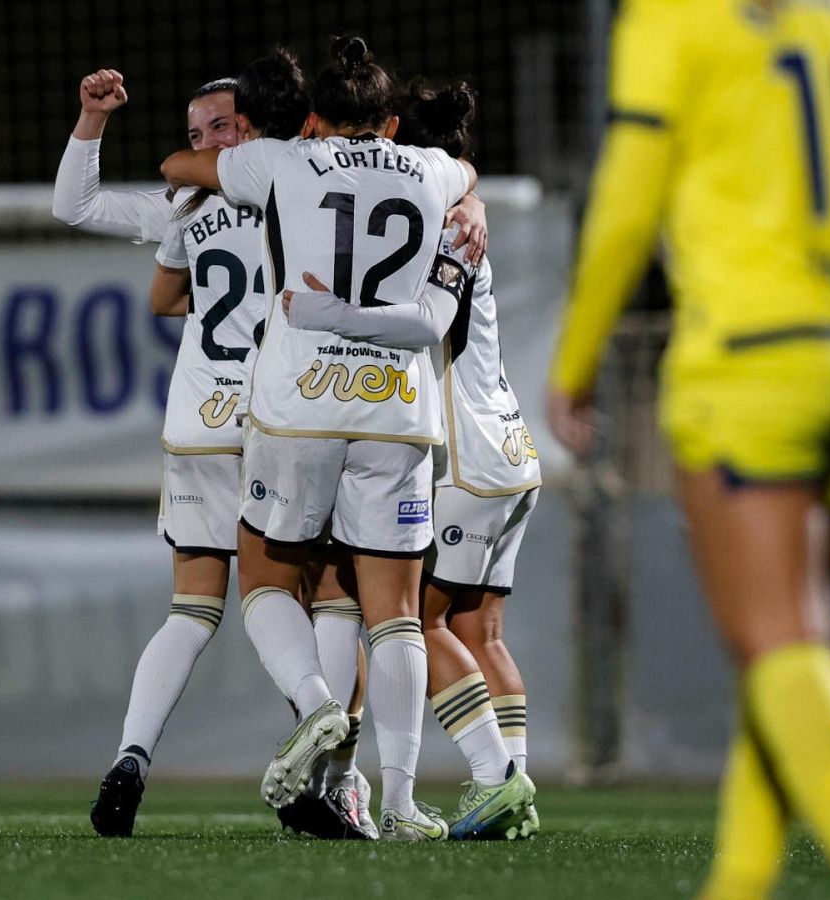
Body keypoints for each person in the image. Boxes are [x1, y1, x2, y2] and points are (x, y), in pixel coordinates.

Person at [546, 0, 830, 896]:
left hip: (757, 358)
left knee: (777, 643)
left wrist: (575, 359)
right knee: (789, 653)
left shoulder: (677, 17)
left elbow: (629, 198)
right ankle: (739, 882)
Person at [161, 34, 494, 841]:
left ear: (313, 117)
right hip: (397, 411)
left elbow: (180, 167)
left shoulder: (276, 160)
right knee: (398, 617)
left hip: (298, 404)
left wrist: (248, 155)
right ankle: (404, 802)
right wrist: (470, 203)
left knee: (267, 577)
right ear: (387, 122)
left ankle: (316, 706)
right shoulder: (432, 170)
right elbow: (469, 172)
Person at [53, 59, 374, 839]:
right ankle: (330, 757)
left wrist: (92, 123)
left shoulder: (189, 207)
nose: (205, 143)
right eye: (195, 134)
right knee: (328, 591)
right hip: (278, 420)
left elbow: (77, 208)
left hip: (199, 418)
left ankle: (132, 755)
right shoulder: (298, 189)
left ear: (248, 124)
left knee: (194, 606)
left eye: (218, 128)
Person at [284, 79, 538, 841]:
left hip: (458, 456)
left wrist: (329, 313)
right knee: (481, 632)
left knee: (407, 622)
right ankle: (509, 791)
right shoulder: (463, 211)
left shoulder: (435, 224)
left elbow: (419, 325)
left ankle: (492, 779)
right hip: (511, 452)